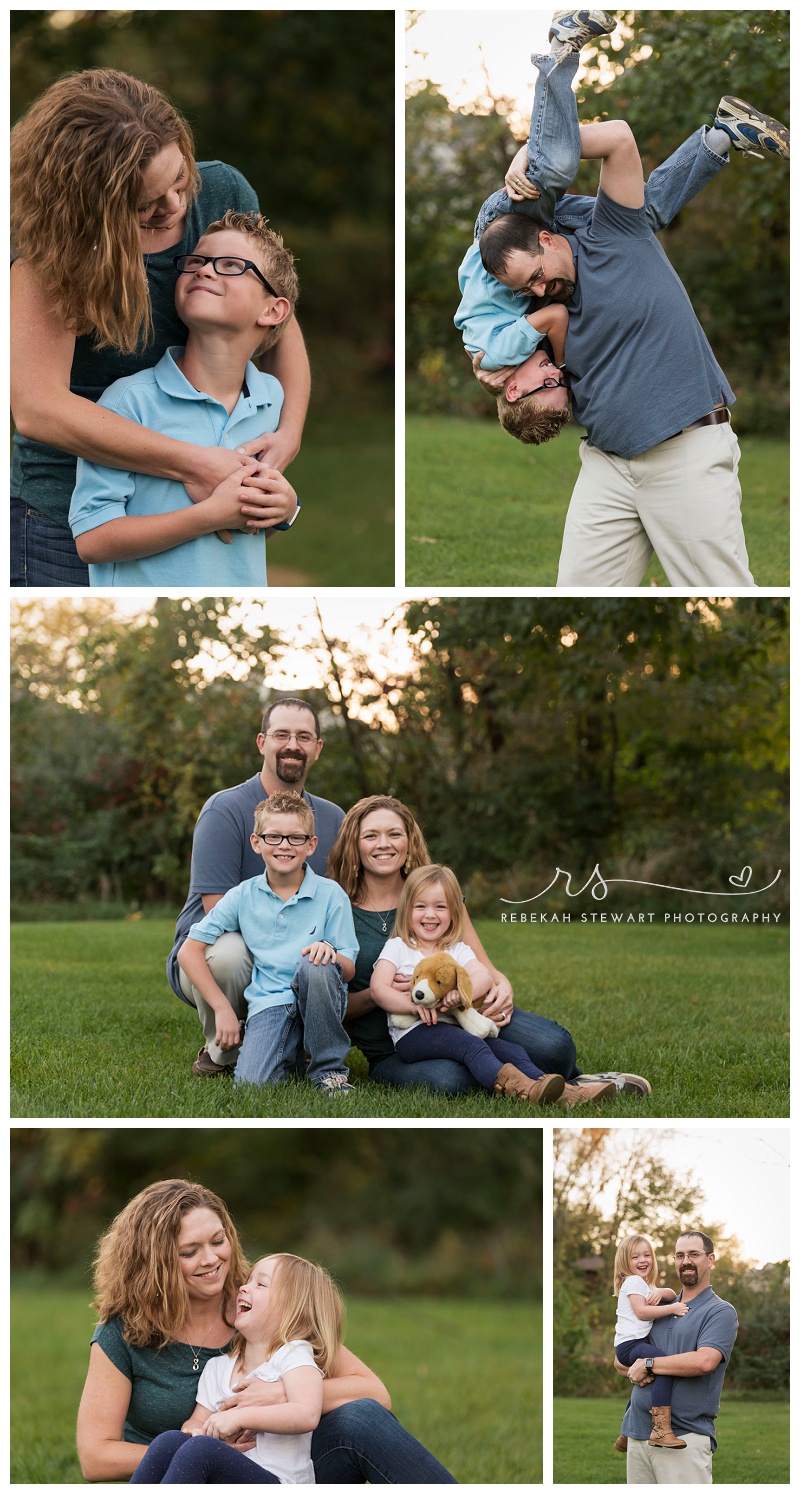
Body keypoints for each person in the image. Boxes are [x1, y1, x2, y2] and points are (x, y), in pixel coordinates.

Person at [474, 15, 790, 585]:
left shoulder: (614, 232)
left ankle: (561, 52)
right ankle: (718, 137)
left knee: (725, 596)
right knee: (575, 597)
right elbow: (504, 343)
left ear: (549, 239)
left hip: (684, 455)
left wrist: (528, 153)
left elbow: (619, 136)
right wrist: (497, 369)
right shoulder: (530, 291)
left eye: (540, 278)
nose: (541, 293)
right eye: (529, 292)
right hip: (606, 466)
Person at [11, 69, 310, 586]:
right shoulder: (55, 244)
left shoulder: (221, 192)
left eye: (180, 179)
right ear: (89, 209)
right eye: (144, 203)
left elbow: (279, 324)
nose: (174, 207)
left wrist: (288, 434)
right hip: (67, 517)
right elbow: (38, 408)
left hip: (206, 502)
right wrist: (196, 466)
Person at [76, 1179, 456, 1483]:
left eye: (218, 1241)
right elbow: (95, 1458)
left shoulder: (260, 1306)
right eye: (189, 1252)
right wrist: (204, 1448)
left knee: (361, 1418)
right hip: (183, 1473)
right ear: (154, 1263)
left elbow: (373, 1392)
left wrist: (276, 1395)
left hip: (283, 1471)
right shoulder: (125, 1331)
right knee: (178, 1446)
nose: (211, 1260)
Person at [328, 794, 648, 1104]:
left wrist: (503, 984)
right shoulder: (336, 906)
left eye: (394, 834)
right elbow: (330, 1006)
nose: (384, 844)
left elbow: (482, 968)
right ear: (355, 844)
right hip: (398, 1043)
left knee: (555, 1047)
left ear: (409, 840)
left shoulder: (438, 897)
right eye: (371, 835)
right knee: (452, 1080)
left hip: (463, 1015)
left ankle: (571, 1086)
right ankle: (548, 1088)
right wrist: (377, 995)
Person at [68, 211, 300, 585]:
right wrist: (209, 516)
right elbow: (93, 540)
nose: (205, 271)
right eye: (196, 262)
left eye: (230, 265)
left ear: (273, 310)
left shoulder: (270, 399)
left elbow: (248, 522)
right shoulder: (129, 402)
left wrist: (285, 510)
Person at [455, 12, 619, 445]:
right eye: (559, 386)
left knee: (555, 167)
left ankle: (561, 46)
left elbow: (556, 314)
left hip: (501, 238)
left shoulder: (502, 356)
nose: (554, 378)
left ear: (512, 389)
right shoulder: (506, 361)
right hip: (517, 252)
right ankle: (717, 141)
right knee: (632, 210)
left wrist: (564, 362)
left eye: (547, 385)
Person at [167, 698, 345, 1077]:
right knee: (231, 954)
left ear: (317, 748)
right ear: (262, 743)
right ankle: (222, 1051)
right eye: (282, 734)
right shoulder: (225, 810)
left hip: (297, 954)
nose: (293, 744)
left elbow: (343, 902)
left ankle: (302, 1045)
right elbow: (218, 910)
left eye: (304, 736)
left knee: (331, 954)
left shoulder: (332, 818)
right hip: (217, 951)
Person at [178, 792, 358, 1097]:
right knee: (251, 1087)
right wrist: (223, 1009)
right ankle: (292, 1055)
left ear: (311, 845)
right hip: (269, 1003)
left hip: (319, 1000)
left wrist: (332, 956)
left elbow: (350, 969)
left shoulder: (332, 895)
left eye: (295, 838)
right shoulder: (242, 895)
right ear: (256, 842)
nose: (284, 845)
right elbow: (188, 951)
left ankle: (329, 1071)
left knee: (315, 964)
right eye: (273, 836)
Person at [130, 1253, 343, 1483]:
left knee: (201, 1451)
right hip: (226, 1476)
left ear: (293, 1311)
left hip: (279, 1481)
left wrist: (241, 1418)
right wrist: (197, 1432)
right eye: (248, 1280)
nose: (243, 1287)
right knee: (169, 1441)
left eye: (260, 1284)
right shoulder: (217, 1367)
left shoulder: (293, 1354)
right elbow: (196, 1421)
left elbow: (306, 1413)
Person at [371, 863, 566, 1106]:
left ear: (454, 912)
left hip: (455, 1029)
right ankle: (521, 1090)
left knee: (511, 1051)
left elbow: (482, 975)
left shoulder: (455, 949)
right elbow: (379, 988)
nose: (430, 914)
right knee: (471, 1046)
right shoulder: (399, 947)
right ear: (406, 910)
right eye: (420, 906)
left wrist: (461, 993)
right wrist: (411, 1006)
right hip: (414, 1035)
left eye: (440, 907)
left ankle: (556, 1090)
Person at [614, 1230, 739, 1485]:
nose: (686, 1261)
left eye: (694, 1254)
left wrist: (649, 1364)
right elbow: (621, 1362)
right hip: (638, 1435)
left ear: (711, 1259)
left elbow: (705, 1361)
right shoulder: (657, 1310)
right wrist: (634, 1365)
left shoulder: (720, 1311)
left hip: (685, 1437)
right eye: (680, 1255)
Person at [612, 1234, 688, 1451]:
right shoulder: (633, 1281)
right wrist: (673, 1308)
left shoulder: (644, 1285)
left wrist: (659, 1292)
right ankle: (660, 1430)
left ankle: (626, 1434)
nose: (643, 1260)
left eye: (647, 1255)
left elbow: (672, 1293)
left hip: (631, 1344)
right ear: (625, 1262)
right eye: (635, 1257)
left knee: (651, 1377)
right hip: (631, 1345)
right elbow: (643, 1312)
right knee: (664, 1363)